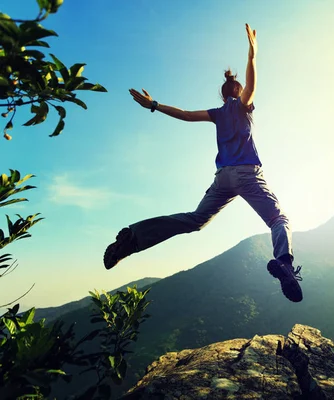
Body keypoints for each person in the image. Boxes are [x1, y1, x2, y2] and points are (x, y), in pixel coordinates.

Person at [103, 23, 303, 303]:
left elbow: (184, 114)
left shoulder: (218, 113)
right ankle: (284, 262)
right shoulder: (244, 106)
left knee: (196, 220)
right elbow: (252, 86)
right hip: (247, 174)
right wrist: (252, 55)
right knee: (278, 219)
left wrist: (154, 105)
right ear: (240, 92)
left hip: (223, 178)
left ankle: (134, 238)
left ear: (223, 96)